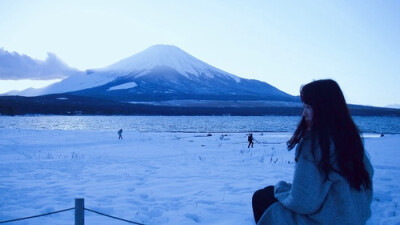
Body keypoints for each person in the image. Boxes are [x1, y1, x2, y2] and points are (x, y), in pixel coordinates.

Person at [252, 79, 373, 225]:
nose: (304, 114)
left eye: (308, 108)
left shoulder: (316, 145)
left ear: (323, 110)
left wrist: (280, 189)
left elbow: (303, 202)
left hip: (323, 221)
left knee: (261, 197)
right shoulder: (351, 140)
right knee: (270, 191)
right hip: (352, 218)